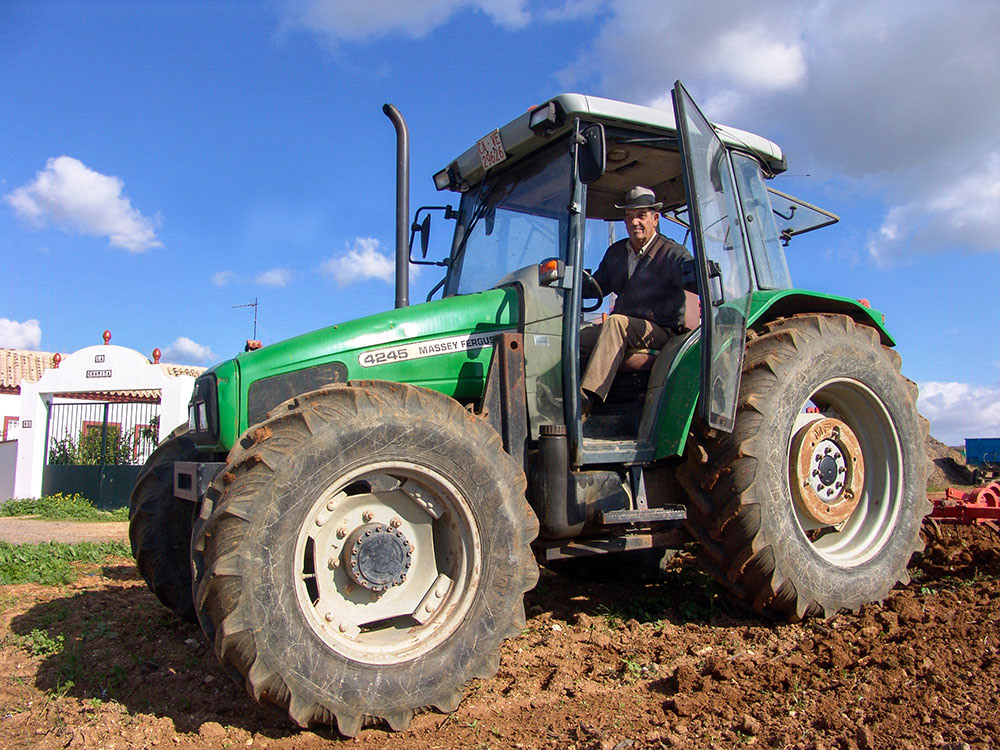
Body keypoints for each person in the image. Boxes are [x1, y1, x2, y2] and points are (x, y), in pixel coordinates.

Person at [580, 186, 693, 418]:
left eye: (641, 216)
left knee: (615, 323)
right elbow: (597, 286)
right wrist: (566, 283)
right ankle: (555, 395)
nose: (634, 222)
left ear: (655, 218)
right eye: (629, 217)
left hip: (659, 329)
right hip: (623, 329)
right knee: (572, 337)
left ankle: (585, 402)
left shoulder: (671, 253)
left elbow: (690, 273)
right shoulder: (617, 253)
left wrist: (699, 276)